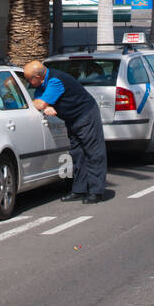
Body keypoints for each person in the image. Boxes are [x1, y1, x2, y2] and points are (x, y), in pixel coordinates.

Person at [23, 60, 107, 204]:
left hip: (85, 115)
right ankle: (79, 190)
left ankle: (96, 192)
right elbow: (39, 102)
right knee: (77, 154)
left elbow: (39, 103)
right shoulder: (42, 84)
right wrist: (44, 105)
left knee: (93, 153)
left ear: (37, 77)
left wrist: (43, 104)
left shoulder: (55, 81)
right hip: (72, 119)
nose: (28, 82)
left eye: (29, 79)